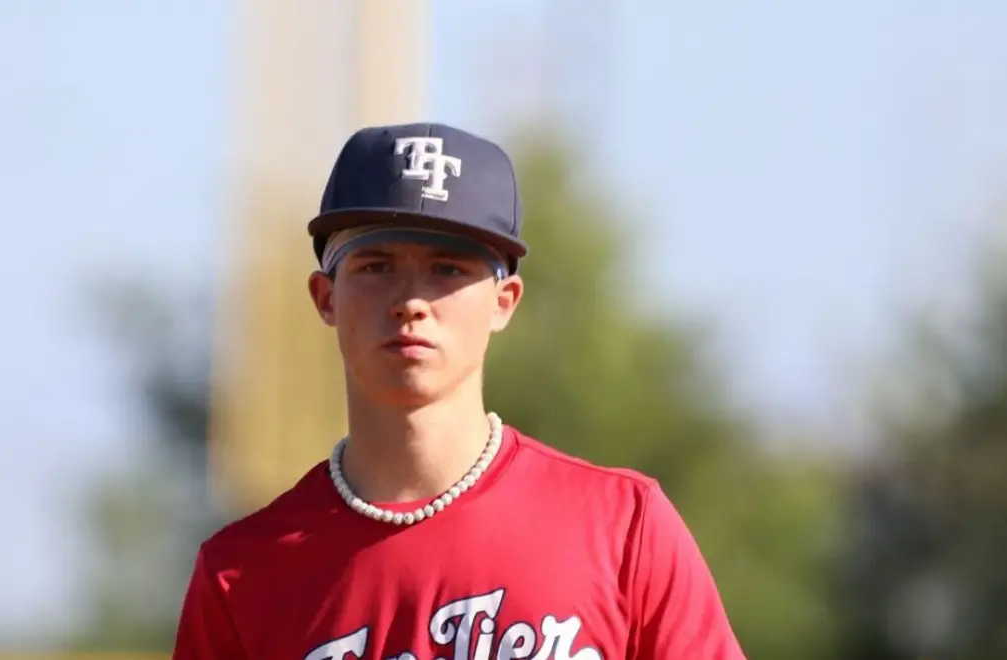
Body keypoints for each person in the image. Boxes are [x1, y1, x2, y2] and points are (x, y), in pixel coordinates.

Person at [172, 122, 746, 659]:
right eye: (376, 266)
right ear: (326, 298)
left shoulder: (623, 527)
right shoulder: (241, 572)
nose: (410, 301)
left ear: (504, 302)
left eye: (448, 269)